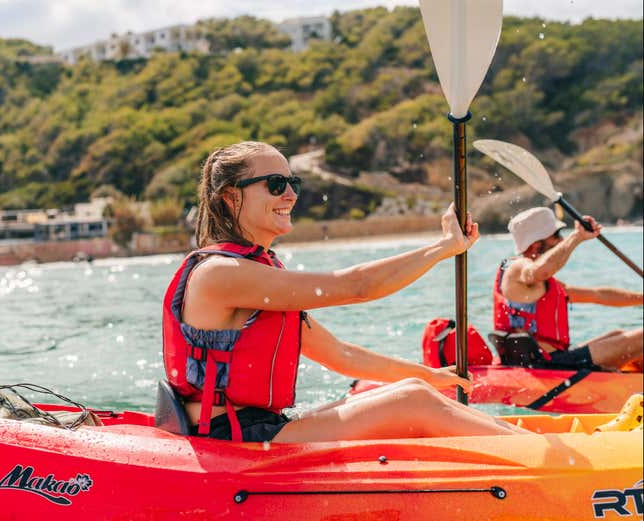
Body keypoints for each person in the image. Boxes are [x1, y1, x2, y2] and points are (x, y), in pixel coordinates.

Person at [161, 141, 527, 444]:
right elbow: (358, 287)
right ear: (230, 197)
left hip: (261, 427)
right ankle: (537, 458)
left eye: (293, 183)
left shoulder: (257, 274)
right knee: (412, 400)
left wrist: (431, 376)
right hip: (230, 437)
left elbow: (340, 354)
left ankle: (525, 444)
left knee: (415, 389)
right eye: (274, 184)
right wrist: (443, 247)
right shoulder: (221, 274)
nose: (290, 194)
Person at [493, 207, 643, 370]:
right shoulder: (518, 268)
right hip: (546, 364)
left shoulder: (542, 285)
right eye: (556, 235)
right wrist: (577, 236)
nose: (561, 240)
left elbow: (597, 295)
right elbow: (540, 271)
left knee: (618, 334)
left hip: (556, 359)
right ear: (536, 245)